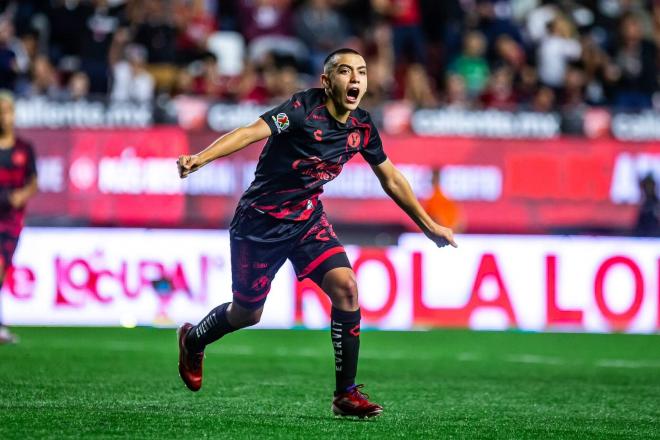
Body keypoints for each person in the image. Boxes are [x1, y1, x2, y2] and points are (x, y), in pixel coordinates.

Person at [176, 48, 457, 418]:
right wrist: (200, 158)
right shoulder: (301, 110)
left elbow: (390, 178)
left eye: (361, 72)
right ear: (327, 82)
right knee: (247, 313)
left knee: (347, 288)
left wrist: (429, 224)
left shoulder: (363, 127)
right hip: (260, 223)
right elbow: (250, 132)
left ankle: (345, 394)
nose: (355, 79)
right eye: (344, 71)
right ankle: (193, 339)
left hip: (307, 219)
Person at [0, 91, 38, 344]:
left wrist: (22, 195)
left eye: (8, 111)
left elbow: (33, 181)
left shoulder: (25, 148)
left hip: (11, 220)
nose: (5, 117)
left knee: (1, 269)